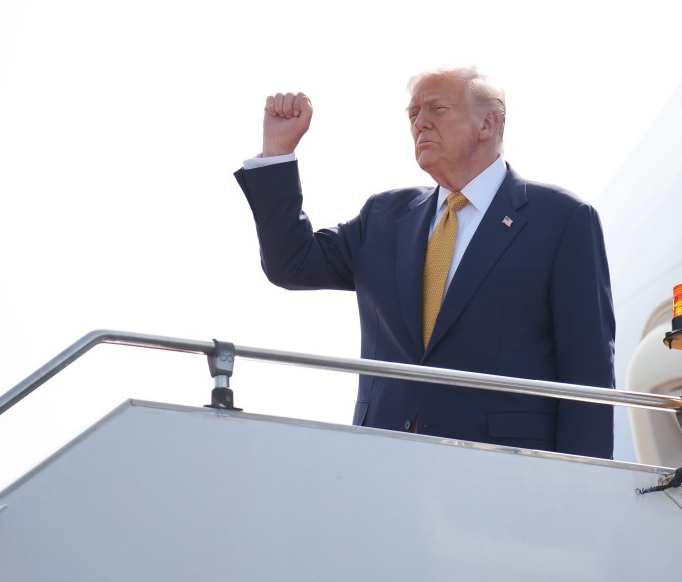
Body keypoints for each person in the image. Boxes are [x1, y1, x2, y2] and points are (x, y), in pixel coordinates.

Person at [234, 66, 616, 458]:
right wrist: (277, 154)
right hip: (383, 459)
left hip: (503, 469)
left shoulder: (561, 219)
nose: (421, 123)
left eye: (437, 108)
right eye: (413, 114)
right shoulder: (384, 217)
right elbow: (291, 264)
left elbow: (588, 371)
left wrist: (586, 484)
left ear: (488, 123)